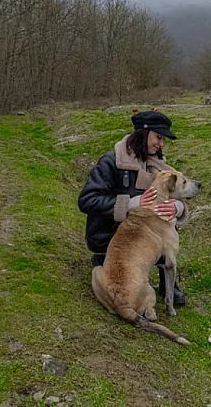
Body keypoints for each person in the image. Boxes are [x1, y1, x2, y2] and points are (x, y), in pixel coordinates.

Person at [78, 110, 189, 305]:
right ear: (143, 133)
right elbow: (87, 200)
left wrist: (177, 207)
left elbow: (174, 192)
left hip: (140, 235)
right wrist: (131, 203)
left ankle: (167, 281)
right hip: (109, 234)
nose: (162, 144)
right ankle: (104, 259)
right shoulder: (111, 162)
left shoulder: (158, 166)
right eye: (158, 137)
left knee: (165, 217)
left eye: (164, 140)